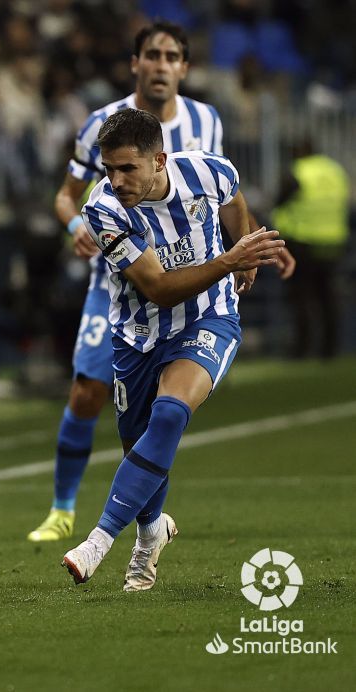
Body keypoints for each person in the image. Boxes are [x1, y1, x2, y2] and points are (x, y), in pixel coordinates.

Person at [28, 20, 294, 543]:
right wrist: (74, 224)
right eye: (152, 54)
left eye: (172, 56)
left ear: (184, 68)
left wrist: (249, 249)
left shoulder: (205, 120)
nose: (161, 64)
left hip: (191, 285)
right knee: (87, 391)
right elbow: (67, 194)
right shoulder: (102, 125)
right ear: (136, 64)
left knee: (162, 411)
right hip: (120, 282)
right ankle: (62, 510)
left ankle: (137, 529)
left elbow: (222, 191)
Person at [60, 108, 285, 590]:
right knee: (138, 445)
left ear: (159, 160)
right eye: (109, 169)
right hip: (137, 333)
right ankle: (152, 532)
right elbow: (158, 288)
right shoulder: (102, 210)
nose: (116, 180)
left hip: (208, 318)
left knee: (168, 416)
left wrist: (244, 248)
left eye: (127, 169)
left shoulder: (207, 169)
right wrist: (231, 259)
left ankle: (101, 541)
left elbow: (233, 199)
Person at [272, 138, 350, 359]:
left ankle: (302, 347)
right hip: (334, 240)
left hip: (303, 241)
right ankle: (331, 348)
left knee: (302, 296)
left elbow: (280, 202)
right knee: (329, 296)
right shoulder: (335, 170)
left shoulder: (298, 172)